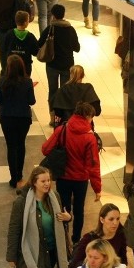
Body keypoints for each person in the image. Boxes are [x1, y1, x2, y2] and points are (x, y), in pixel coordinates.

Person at [6, 166, 71, 268]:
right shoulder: (22, 203)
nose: (47, 184)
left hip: (52, 249)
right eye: (43, 181)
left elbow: (61, 219)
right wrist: (11, 255)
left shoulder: (54, 197)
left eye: (48, 180)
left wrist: (67, 218)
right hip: (35, 250)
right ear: (34, 182)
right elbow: (14, 228)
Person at [41, 102, 102, 244]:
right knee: (79, 210)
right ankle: (76, 240)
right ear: (87, 116)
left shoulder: (62, 129)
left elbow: (45, 149)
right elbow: (93, 165)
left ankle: (63, 238)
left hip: (63, 176)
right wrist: (97, 188)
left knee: (63, 208)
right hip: (81, 180)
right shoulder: (89, 138)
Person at [0, 54, 35, 187]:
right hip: (23, 118)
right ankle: (20, 174)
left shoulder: (2, 81)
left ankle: (13, 177)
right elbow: (31, 101)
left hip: (7, 118)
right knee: (21, 144)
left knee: (11, 146)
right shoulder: (27, 82)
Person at [39, 4, 80, 127]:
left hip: (52, 65)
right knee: (64, 91)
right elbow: (77, 48)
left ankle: (53, 117)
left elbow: (39, 43)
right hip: (67, 65)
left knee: (52, 91)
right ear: (63, 14)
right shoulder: (70, 29)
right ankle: (63, 117)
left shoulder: (50, 29)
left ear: (53, 15)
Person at [69, 203, 128, 268]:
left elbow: (122, 258)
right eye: (111, 219)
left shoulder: (120, 235)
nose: (115, 223)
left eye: (117, 219)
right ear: (102, 220)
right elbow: (75, 263)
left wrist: (124, 267)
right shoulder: (88, 238)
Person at [2, 10, 37, 75]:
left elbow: (4, 48)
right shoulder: (30, 36)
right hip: (25, 65)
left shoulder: (9, 34)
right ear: (25, 23)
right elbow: (35, 51)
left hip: (11, 64)